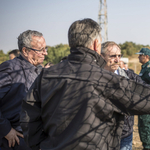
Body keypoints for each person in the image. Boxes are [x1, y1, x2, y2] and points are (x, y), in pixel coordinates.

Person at [20, 18, 150, 150]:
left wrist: (39, 145)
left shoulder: (46, 76)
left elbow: (28, 116)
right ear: (96, 44)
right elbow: (146, 98)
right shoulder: (107, 79)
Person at [0, 30, 47, 150]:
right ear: (25, 51)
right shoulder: (10, 69)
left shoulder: (38, 71)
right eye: (41, 50)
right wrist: (6, 130)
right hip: (14, 140)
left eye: (45, 49)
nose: (45, 53)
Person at [101, 41, 134, 150]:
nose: (117, 60)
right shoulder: (94, 77)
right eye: (113, 56)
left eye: (119, 56)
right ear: (102, 57)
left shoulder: (129, 76)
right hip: (103, 134)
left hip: (125, 134)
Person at [136, 48, 150, 150]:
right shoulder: (144, 67)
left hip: (147, 102)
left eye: (140, 55)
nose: (138, 57)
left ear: (146, 56)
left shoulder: (149, 68)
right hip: (143, 101)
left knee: (145, 125)